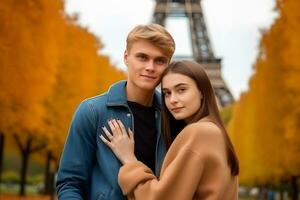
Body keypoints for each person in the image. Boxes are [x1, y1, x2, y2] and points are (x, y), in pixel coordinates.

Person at [56, 24, 176, 200]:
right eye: (142, 57)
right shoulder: (92, 112)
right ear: (126, 57)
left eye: (159, 60)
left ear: (168, 65)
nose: (150, 67)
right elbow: (70, 183)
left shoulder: (173, 117)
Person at [100, 60, 240, 200]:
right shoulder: (215, 132)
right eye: (167, 93)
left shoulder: (198, 132)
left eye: (181, 90)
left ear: (202, 92)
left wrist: (129, 159)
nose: (172, 99)